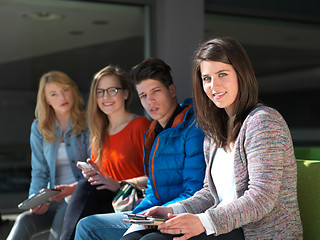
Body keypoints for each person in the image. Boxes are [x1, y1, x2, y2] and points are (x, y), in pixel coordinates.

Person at [126, 37, 304, 240]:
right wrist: (174, 210)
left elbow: (261, 199)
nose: (213, 85)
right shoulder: (214, 129)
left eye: (222, 74)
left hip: (256, 233)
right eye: (207, 78)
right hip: (224, 227)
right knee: (134, 237)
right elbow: (211, 194)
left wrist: (203, 222)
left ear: (241, 74)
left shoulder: (263, 122)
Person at [73, 57, 206, 240]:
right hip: (152, 214)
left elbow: (195, 190)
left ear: (172, 91)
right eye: (143, 96)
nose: (150, 101)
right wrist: (138, 216)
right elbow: (153, 188)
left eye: (156, 91)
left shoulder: (192, 128)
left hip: (179, 214)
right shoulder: (152, 132)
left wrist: (159, 211)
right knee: (87, 226)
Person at [59, 65, 151, 240]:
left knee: (87, 200)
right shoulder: (98, 132)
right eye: (100, 92)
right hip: (108, 202)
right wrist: (77, 184)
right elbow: (104, 180)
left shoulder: (140, 126)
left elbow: (156, 177)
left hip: (132, 202)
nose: (105, 97)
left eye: (112, 90)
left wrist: (119, 184)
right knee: (85, 187)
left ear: (125, 93)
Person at [7, 71, 90, 240]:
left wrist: (72, 189)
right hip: (53, 200)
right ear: (46, 100)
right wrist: (36, 200)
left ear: (73, 91)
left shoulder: (89, 123)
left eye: (65, 90)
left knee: (60, 226)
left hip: (78, 197)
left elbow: (94, 167)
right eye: (53, 94)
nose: (61, 97)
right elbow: (39, 172)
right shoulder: (39, 128)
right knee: (24, 221)